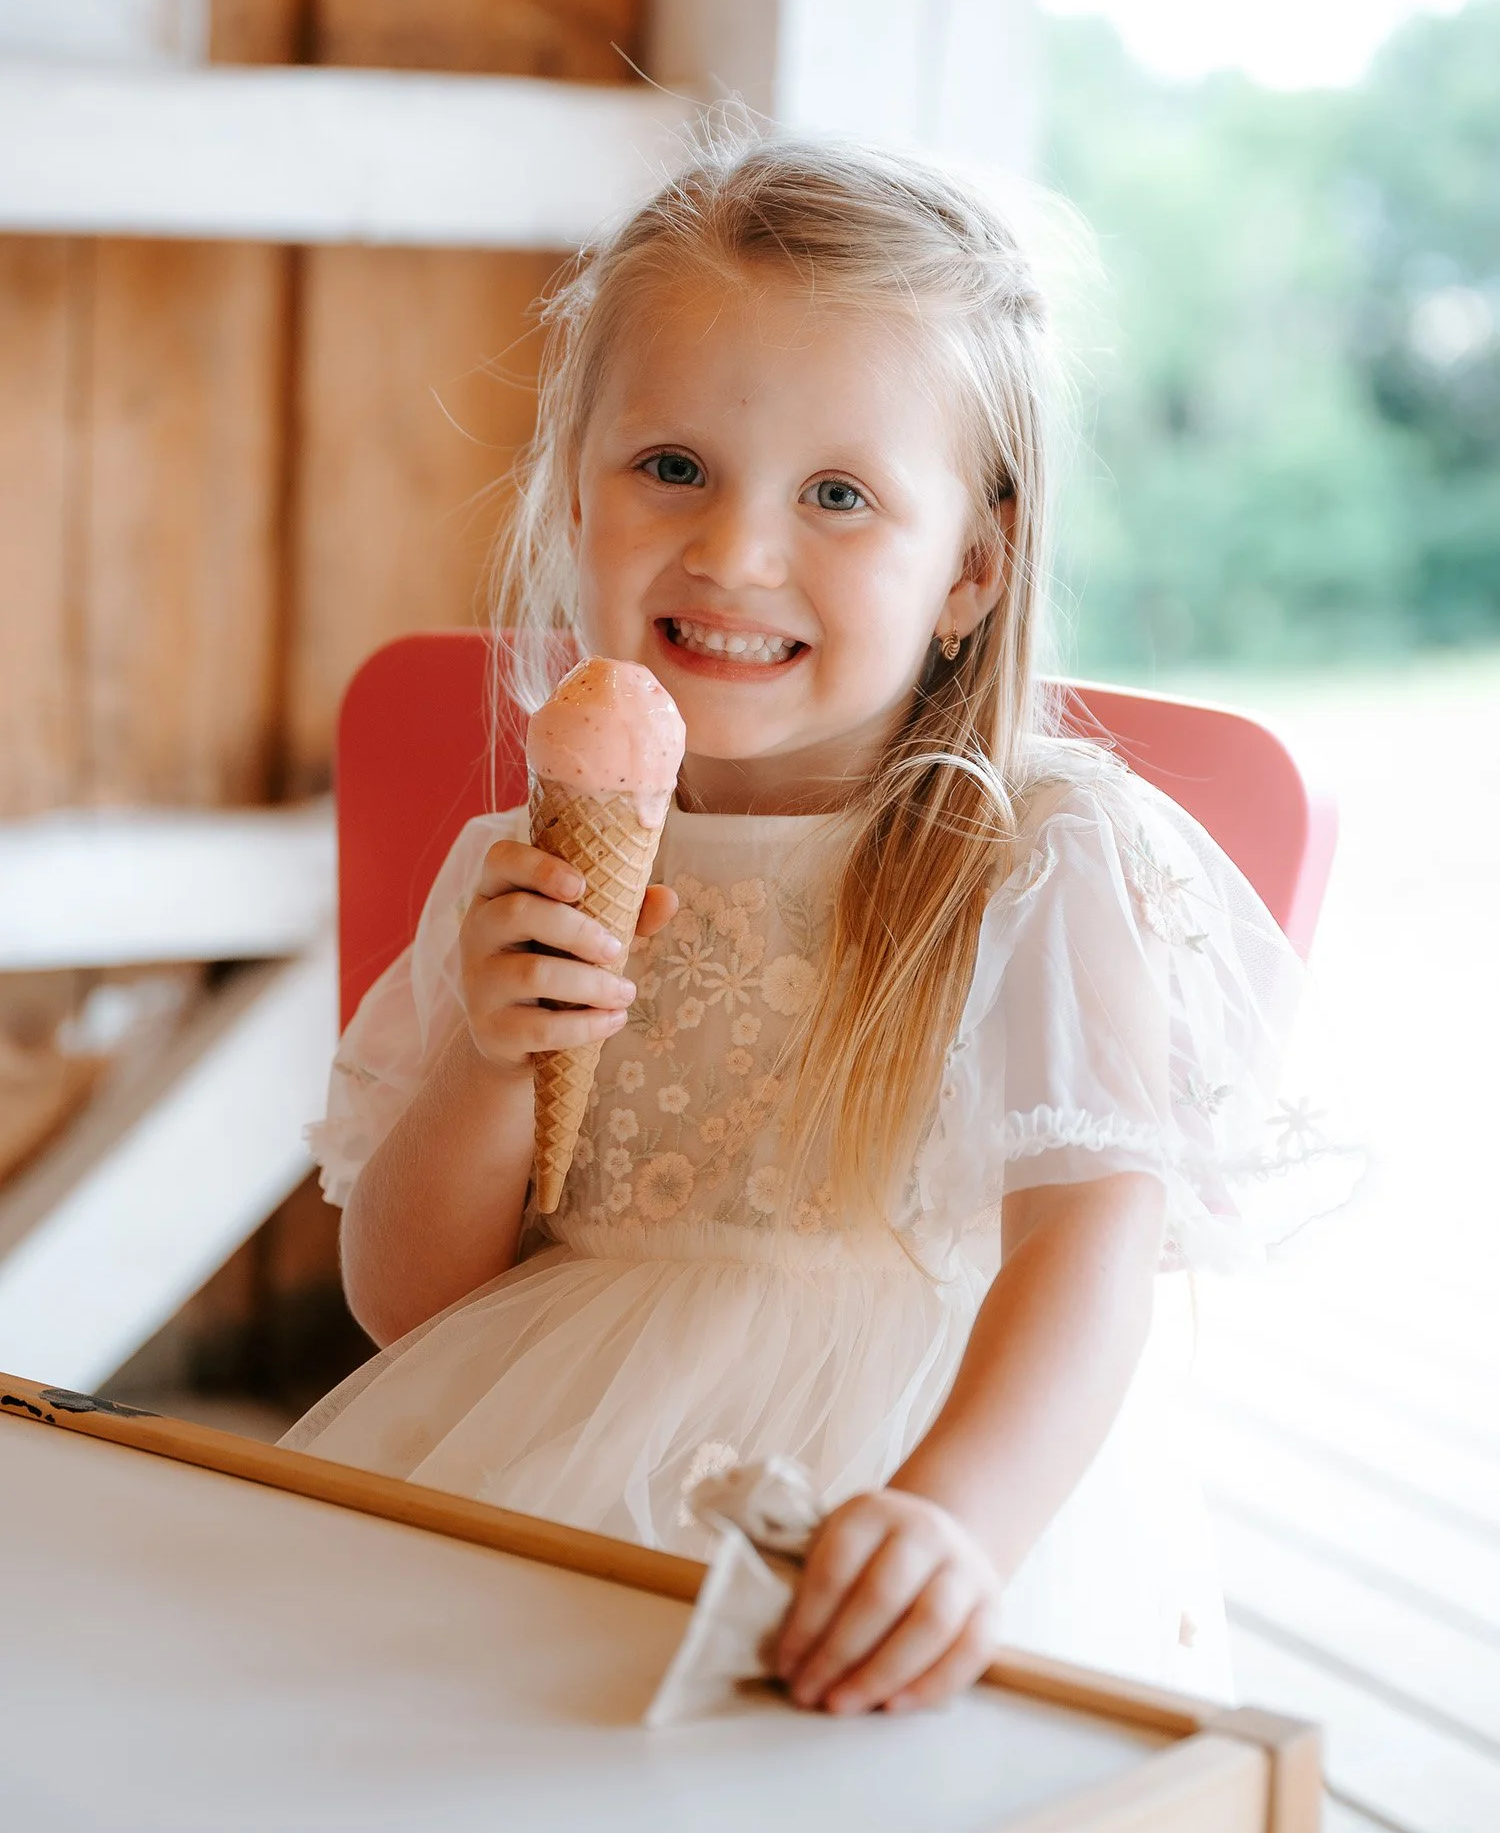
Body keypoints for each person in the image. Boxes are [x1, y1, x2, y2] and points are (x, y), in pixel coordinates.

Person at [284, 134, 1353, 1712]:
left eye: (838, 493)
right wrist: (493, 1062)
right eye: (672, 466)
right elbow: (409, 1307)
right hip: (540, 1481)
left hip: (904, 1494)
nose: (734, 552)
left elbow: (1089, 1250)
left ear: (971, 568)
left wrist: (956, 1520)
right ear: (573, 494)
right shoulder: (519, 865)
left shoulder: (1034, 861)